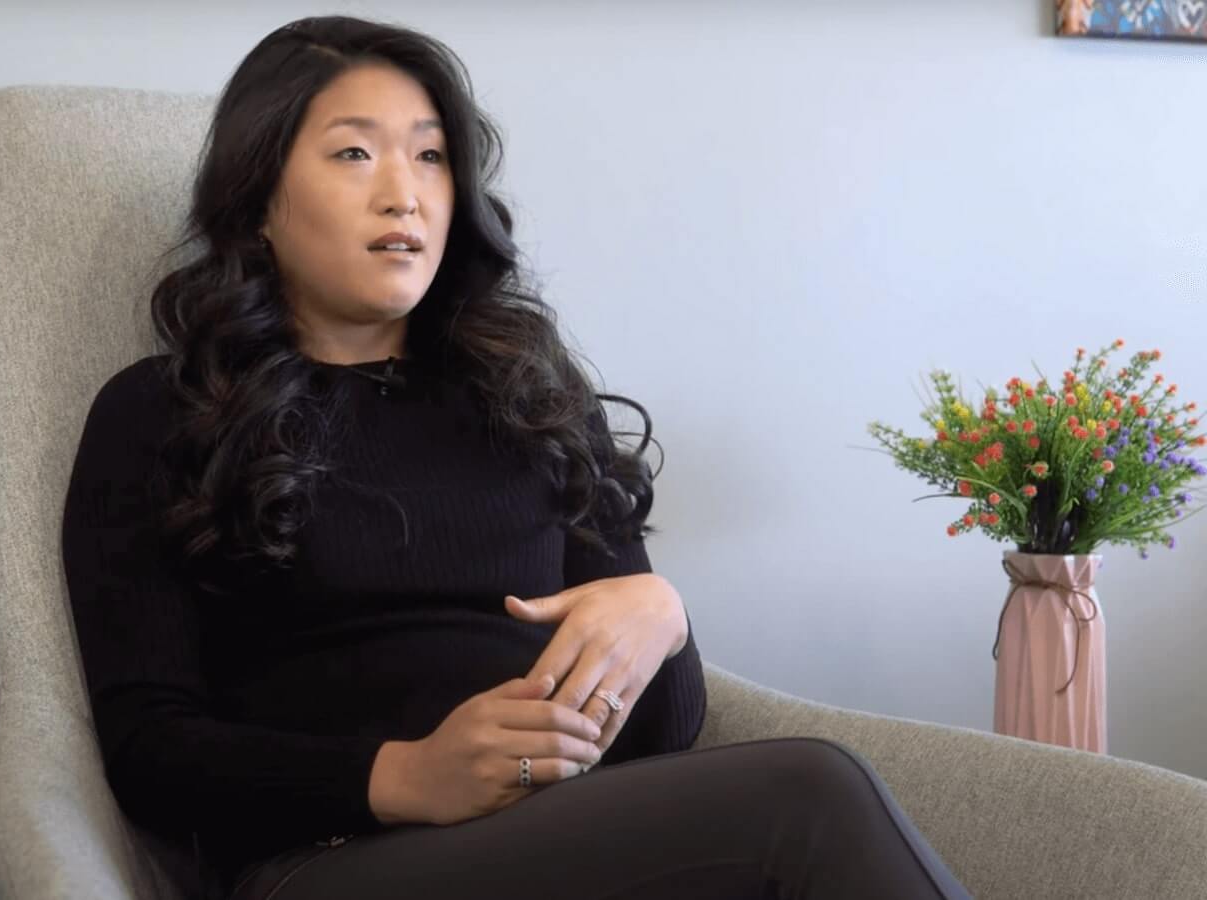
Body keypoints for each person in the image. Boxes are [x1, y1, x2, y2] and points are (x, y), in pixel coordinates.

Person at [61, 14, 973, 900]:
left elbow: (665, 731)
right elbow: (148, 746)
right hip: (326, 859)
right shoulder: (163, 411)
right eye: (354, 153)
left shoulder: (527, 394)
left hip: (570, 836)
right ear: (258, 197)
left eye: (430, 156)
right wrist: (402, 776)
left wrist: (659, 614)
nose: (403, 193)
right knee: (808, 796)